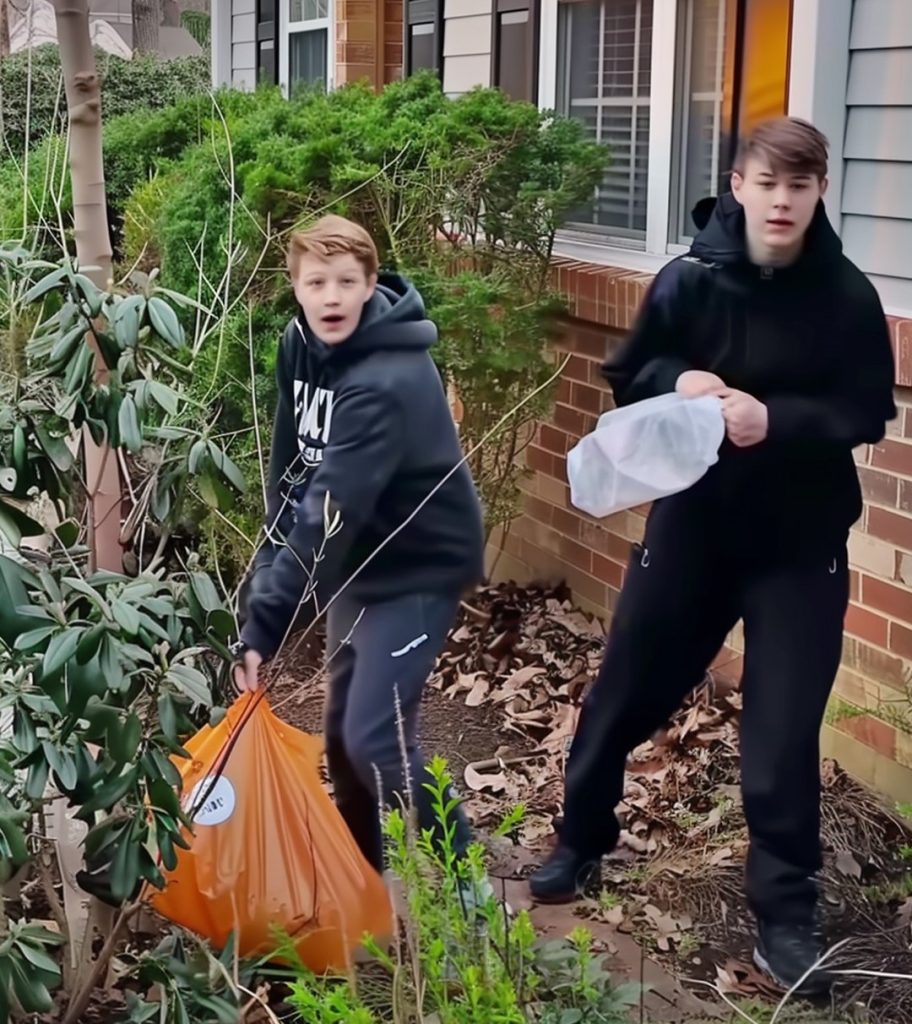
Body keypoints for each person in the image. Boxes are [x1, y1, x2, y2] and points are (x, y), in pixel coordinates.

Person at [528, 118, 896, 995]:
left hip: (800, 547)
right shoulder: (687, 281)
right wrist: (678, 381)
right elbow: (633, 368)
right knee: (625, 692)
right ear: (737, 184)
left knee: (780, 730)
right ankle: (580, 840)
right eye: (767, 183)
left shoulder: (847, 297)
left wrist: (779, 421)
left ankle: (785, 922)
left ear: (818, 193)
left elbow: (866, 412)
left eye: (798, 186)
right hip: (695, 532)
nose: (781, 200)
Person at [231, 214, 485, 875]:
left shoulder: (387, 379)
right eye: (317, 282)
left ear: (371, 285)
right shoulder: (298, 342)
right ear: (296, 288)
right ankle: (359, 883)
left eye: (347, 281)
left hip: (416, 565)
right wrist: (266, 575)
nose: (332, 296)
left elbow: (325, 514)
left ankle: (468, 890)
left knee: (376, 737)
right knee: (345, 742)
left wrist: (265, 625)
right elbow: (292, 474)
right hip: (358, 563)